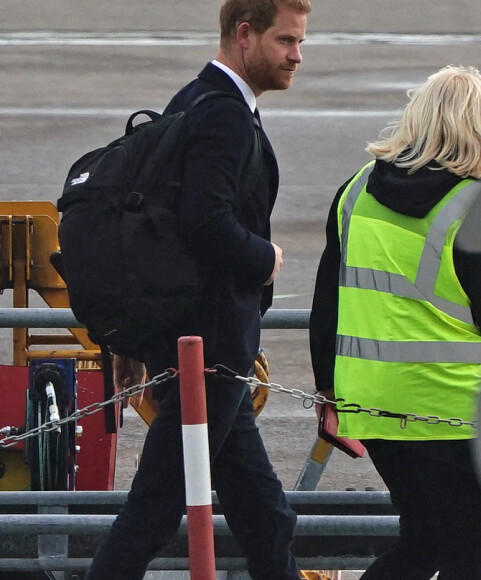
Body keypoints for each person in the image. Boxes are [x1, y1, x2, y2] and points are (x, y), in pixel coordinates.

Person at [85, 1, 311, 578]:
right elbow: (202, 223)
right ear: (244, 34)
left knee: (265, 517)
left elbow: (154, 233)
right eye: (285, 41)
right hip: (208, 351)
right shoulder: (224, 115)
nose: (296, 56)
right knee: (154, 512)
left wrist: (137, 344)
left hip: (205, 351)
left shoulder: (193, 99)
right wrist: (267, 258)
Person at [309, 65, 481, 580]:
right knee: (467, 552)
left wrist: (328, 393)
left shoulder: (355, 192)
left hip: (373, 403)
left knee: (422, 541)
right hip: (451, 410)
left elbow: (329, 306)